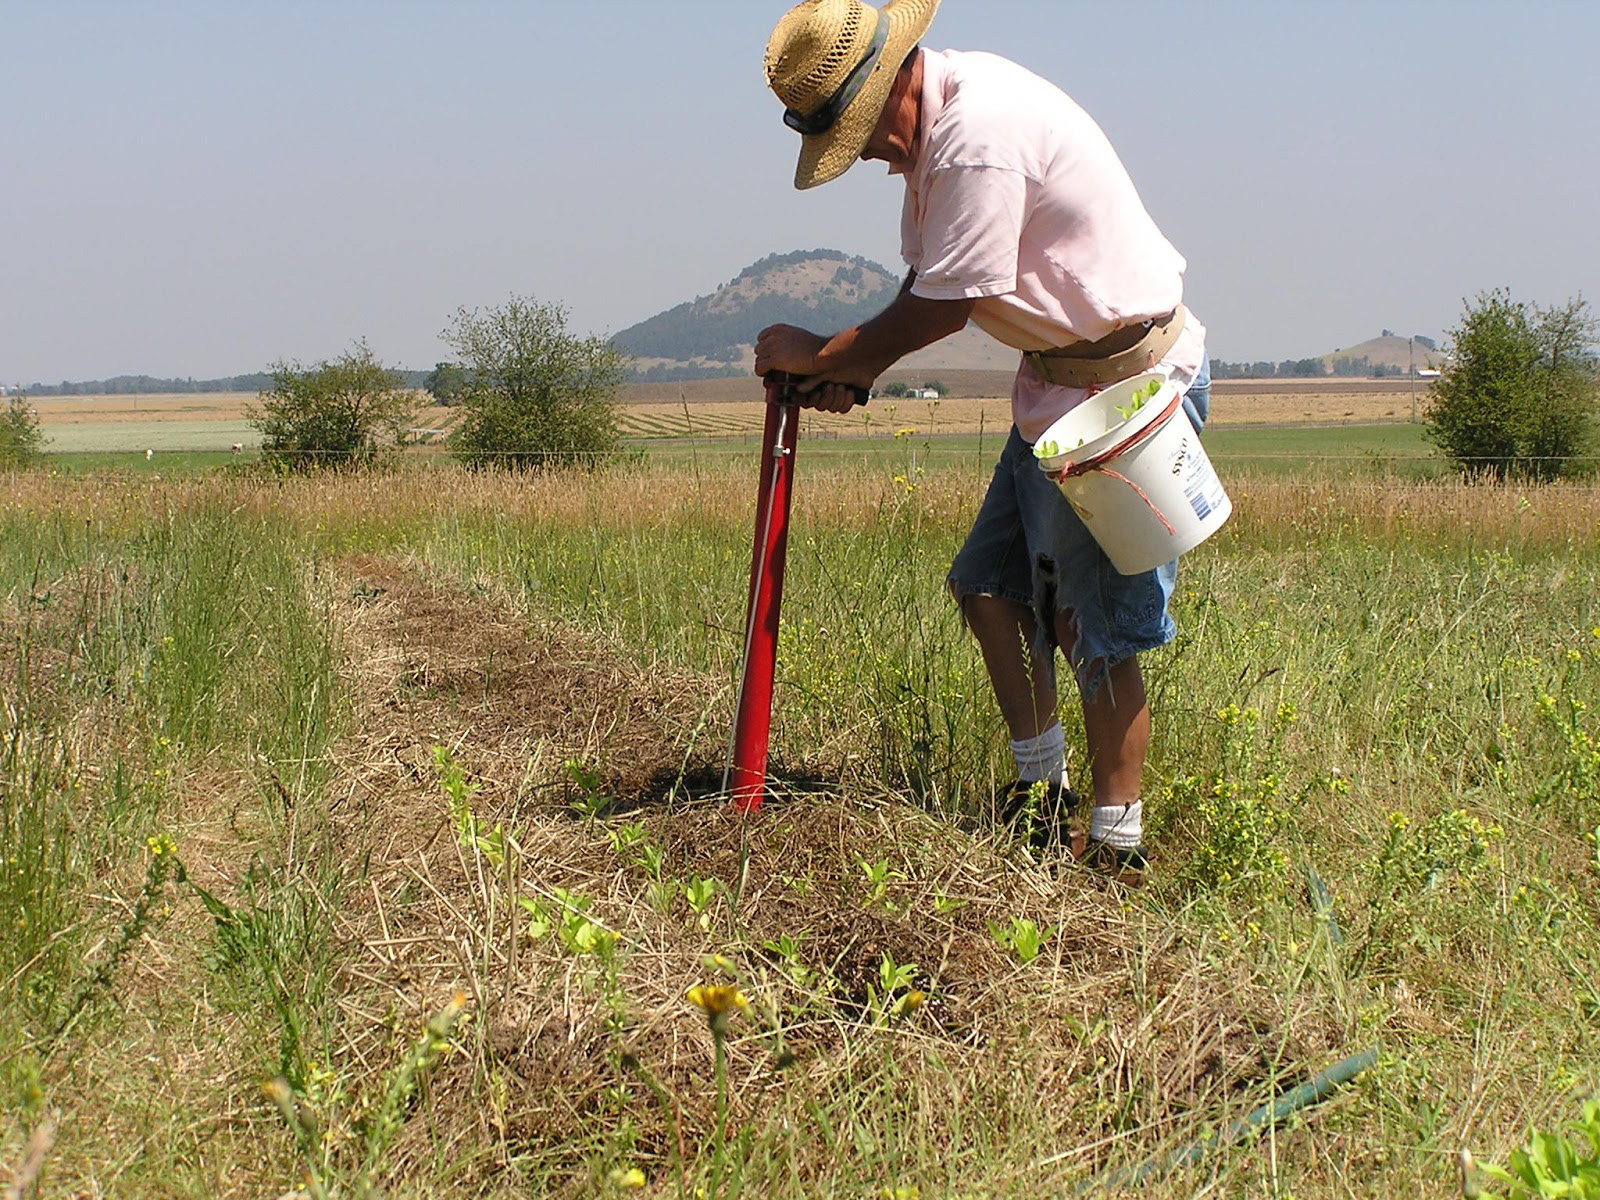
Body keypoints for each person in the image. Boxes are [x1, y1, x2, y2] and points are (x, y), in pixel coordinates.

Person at [753, 0, 1212, 883]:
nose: (869, 159)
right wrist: (851, 372)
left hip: (1123, 392)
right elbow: (935, 285)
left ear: (892, 81)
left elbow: (942, 306)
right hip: (1059, 384)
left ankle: (1117, 850)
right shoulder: (937, 140)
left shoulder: (975, 135)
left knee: (1098, 625)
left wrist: (828, 353)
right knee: (989, 584)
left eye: (859, 135)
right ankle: (1041, 796)